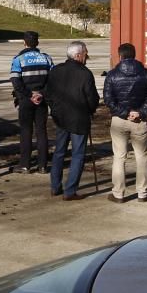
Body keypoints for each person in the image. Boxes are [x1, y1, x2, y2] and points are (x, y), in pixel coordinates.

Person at [45, 41, 100, 201]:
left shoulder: (56, 71)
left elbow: (48, 94)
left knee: (59, 152)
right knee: (77, 155)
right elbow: (92, 98)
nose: (86, 56)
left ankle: (55, 187)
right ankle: (70, 191)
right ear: (78, 55)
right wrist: (90, 110)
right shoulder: (85, 73)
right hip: (78, 118)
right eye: (85, 54)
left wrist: (55, 109)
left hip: (60, 118)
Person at [103, 43, 147, 202]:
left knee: (119, 157)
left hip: (119, 120)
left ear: (120, 56)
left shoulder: (112, 75)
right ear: (134, 54)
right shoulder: (146, 74)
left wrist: (124, 113)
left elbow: (108, 99)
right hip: (139, 120)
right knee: (142, 156)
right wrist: (141, 112)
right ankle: (143, 192)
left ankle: (118, 193)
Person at [10, 31, 54, 174]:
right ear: (37, 43)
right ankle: (42, 165)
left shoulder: (19, 59)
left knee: (26, 131)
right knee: (41, 131)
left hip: (25, 99)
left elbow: (16, 82)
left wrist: (30, 95)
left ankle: (25, 165)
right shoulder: (46, 58)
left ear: (24, 42)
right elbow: (53, 80)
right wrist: (41, 94)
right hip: (42, 99)